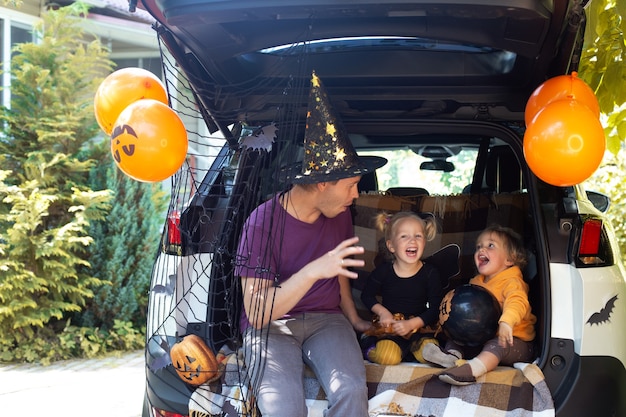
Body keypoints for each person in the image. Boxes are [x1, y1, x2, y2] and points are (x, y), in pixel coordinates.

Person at [235, 71, 387, 417]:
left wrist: (353, 318)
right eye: (351, 185)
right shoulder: (261, 224)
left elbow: (341, 273)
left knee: (350, 391)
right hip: (272, 327)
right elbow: (257, 313)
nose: (357, 195)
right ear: (322, 184)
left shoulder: (340, 213)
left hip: (326, 320)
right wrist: (313, 271)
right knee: (282, 406)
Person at [422, 224, 537, 385]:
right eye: (478, 247)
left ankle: (472, 370)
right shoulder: (476, 283)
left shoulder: (512, 281)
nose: (481, 250)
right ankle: (451, 357)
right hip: (482, 339)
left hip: (514, 342)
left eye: (490, 245)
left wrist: (507, 322)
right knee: (457, 337)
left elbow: (517, 301)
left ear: (509, 259)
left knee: (497, 345)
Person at [360, 211, 443, 365]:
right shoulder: (384, 271)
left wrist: (413, 324)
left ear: (424, 242)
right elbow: (367, 296)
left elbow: (435, 308)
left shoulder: (430, 273)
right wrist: (383, 312)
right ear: (391, 245)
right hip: (390, 331)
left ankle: (437, 355)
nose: (412, 241)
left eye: (418, 236)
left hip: (418, 329)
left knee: (430, 350)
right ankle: (368, 349)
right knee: (388, 357)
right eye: (404, 236)